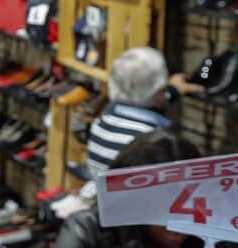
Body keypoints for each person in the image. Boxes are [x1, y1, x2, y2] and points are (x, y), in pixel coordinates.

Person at [57, 131, 202, 248]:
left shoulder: (206, 234)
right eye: (163, 212)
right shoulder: (88, 229)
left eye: (190, 211)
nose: (178, 231)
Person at [86, 48, 202, 179]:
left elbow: (139, 96)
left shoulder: (103, 120)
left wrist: (172, 90)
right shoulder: (152, 143)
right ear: (159, 94)